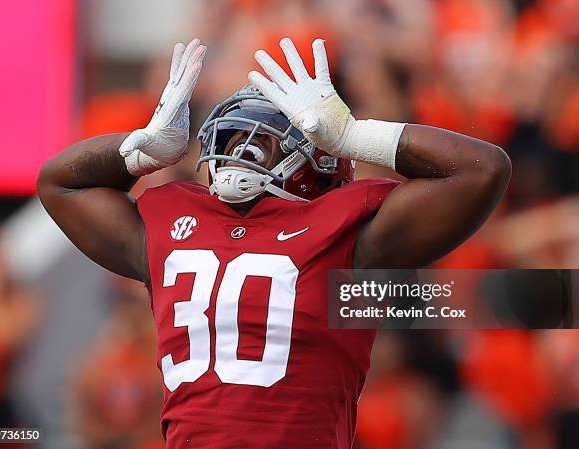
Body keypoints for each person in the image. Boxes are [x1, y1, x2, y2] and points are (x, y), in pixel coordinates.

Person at [37, 37, 511, 449]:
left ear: (318, 159)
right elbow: (56, 183)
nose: (242, 147)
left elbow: (482, 170)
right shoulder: (173, 218)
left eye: (264, 137)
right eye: (235, 133)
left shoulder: (345, 229)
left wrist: (356, 135)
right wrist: (139, 149)